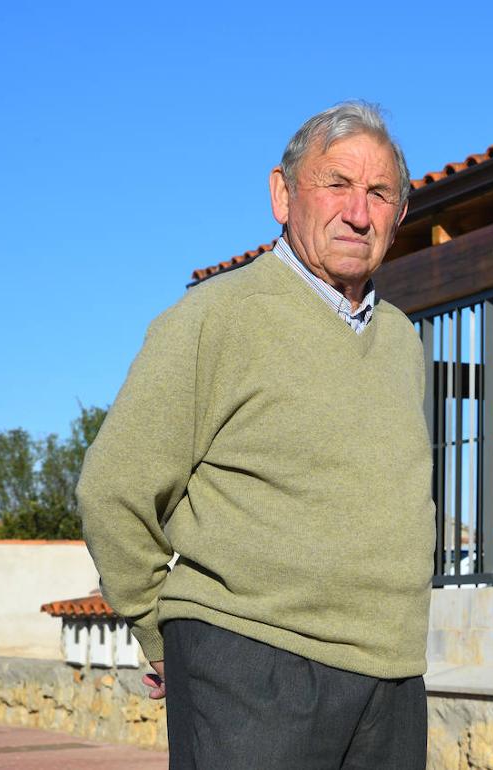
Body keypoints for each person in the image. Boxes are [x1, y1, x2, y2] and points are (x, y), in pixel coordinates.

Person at [77, 102, 435, 769]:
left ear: (400, 215)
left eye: (379, 193)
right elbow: (112, 489)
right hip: (248, 667)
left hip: (390, 678)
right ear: (282, 193)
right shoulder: (216, 317)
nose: (358, 211)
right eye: (337, 184)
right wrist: (166, 634)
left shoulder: (402, 342)